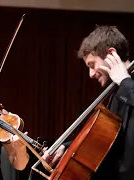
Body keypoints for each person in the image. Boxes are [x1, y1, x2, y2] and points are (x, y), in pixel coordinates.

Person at [42, 25, 134, 180]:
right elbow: (104, 143)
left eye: (92, 65)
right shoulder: (116, 92)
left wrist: (125, 82)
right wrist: (66, 148)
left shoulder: (126, 86)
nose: (91, 74)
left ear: (111, 54)